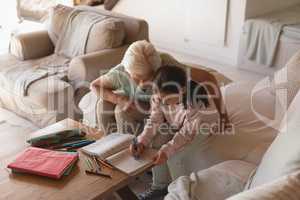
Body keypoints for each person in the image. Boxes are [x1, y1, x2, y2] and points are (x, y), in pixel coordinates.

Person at [130, 65, 222, 200]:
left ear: (182, 90)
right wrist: (141, 140)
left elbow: (187, 133)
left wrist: (167, 150)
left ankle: (180, 194)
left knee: (175, 156)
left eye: (166, 100)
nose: (163, 103)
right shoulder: (159, 96)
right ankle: (159, 187)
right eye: (160, 99)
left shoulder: (195, 101)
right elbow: (155, 120)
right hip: (179, 124)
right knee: (156, 143)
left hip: (203, 127)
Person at [90, 40, 161, 135]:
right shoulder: (121, 72)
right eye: (137, 79)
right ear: (128, 72)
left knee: (121, 111)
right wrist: (119, 99)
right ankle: (106, 143)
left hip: (155, 107)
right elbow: (95, 85)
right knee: (103, 105)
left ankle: (129, 145)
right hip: (135, 100)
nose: (142, 85)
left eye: (147, 78)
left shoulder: (165, 69)